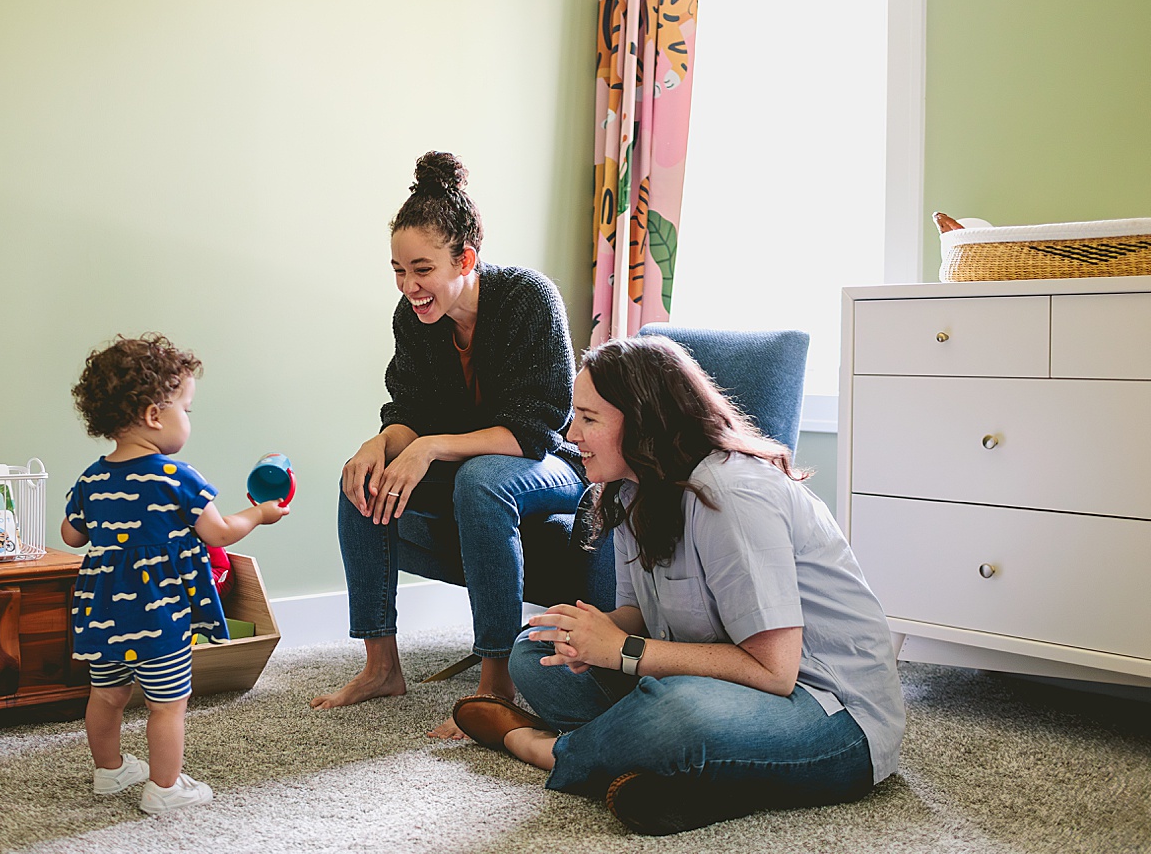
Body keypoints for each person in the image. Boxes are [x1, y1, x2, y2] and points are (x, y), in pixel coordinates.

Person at [452, 335, 905, 835]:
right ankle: (678, 775)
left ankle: (548, 749)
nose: (571, 432)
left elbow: (776, 672)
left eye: (589, 418)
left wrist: (622, 651)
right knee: (534, 649)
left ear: (644, 421)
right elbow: (641, 617)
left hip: (830, 713)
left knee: (676, 711)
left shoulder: (733, 496)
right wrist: (590, 633)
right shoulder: (630, 488)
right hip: (717, 679)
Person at [311, 152, 586, 738]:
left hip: (549, 465)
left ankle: (495, 684)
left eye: (422, 269)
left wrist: (430, 447)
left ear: (466, 259)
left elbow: (537, 428)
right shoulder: (413, 319)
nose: (410, 287)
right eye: (397, 271)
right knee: (361, 475)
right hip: (474, 461)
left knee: (480, 480)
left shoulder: (529, 299)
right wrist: (381, 443)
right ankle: (381, 667)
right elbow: (408, 413)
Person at [62, 334, 289, 814]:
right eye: (186, 408)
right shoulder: (176, 477)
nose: (188, 419)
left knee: (107, 695)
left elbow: (71, 535)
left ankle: (109, 771)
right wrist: (260, 515)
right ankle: (165, 790)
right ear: (153, 415)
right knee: (167, 704)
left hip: (103, 613)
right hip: (157, 614)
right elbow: (220, 534)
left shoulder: (91, 479)